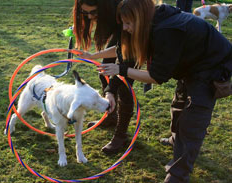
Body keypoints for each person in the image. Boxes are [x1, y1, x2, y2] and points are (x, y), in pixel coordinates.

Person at [97, 0, 232, 182]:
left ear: (141, 17)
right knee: (178, 105)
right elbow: (125, 51)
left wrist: (121, 70)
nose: (126, 28)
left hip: (211, 65)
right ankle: (175, 140)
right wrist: (95, 60)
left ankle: (177, 175)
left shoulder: (167, 30)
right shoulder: (151, 23)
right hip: (189, 64)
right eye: (124, 23)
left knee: (192, 121)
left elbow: (157, 76)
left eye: (129, 23)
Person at [72, 0, 135, 154]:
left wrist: (112, 89)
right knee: (104, 72)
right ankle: (111, 116)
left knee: (123, 84)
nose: (89, 17)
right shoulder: (109, 13)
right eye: (85, 13)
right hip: (122, 31)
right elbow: (116, 49)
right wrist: (93, 56)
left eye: (93, 12)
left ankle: (121, 134)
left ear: (104, 7)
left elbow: (128, 57)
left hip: (135, 32)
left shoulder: (123, 12)